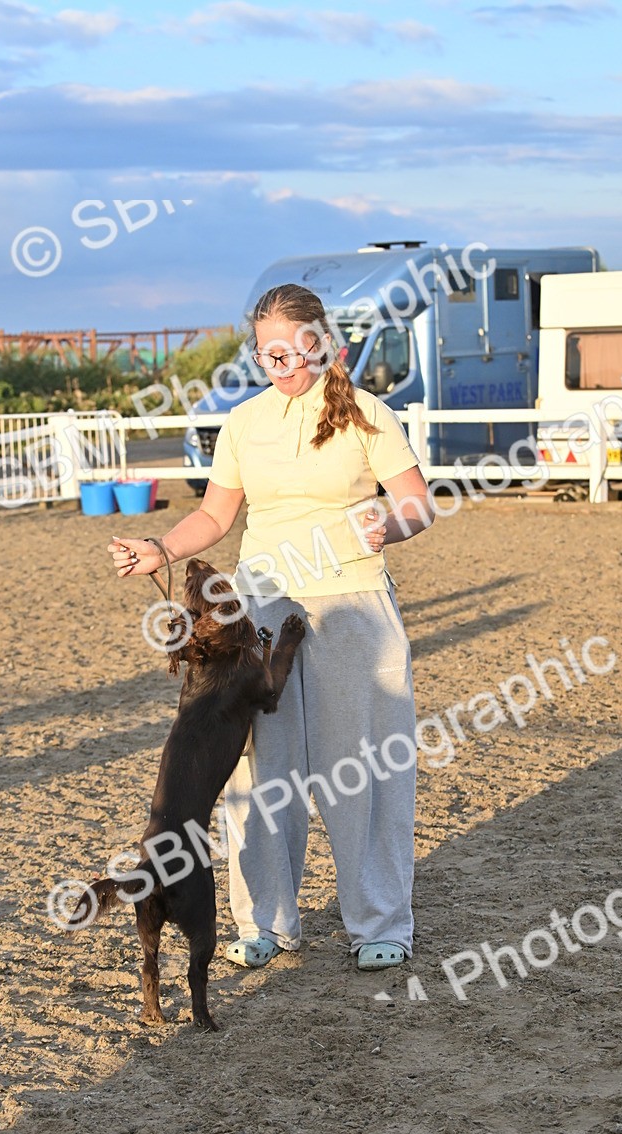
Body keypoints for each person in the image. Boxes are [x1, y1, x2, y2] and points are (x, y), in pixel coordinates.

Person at [108, 283, 434, 971]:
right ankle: (264, 922)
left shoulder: (367, 413)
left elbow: (416, 503)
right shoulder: (243, 422)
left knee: (363, 767)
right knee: (257, 775)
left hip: (353, 606)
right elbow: (215, 516)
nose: (280, 364)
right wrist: (161, 548)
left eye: (291, 350)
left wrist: (392, 524)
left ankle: (380, 922)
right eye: (267, 354)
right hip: (260, 612)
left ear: (321, 342)